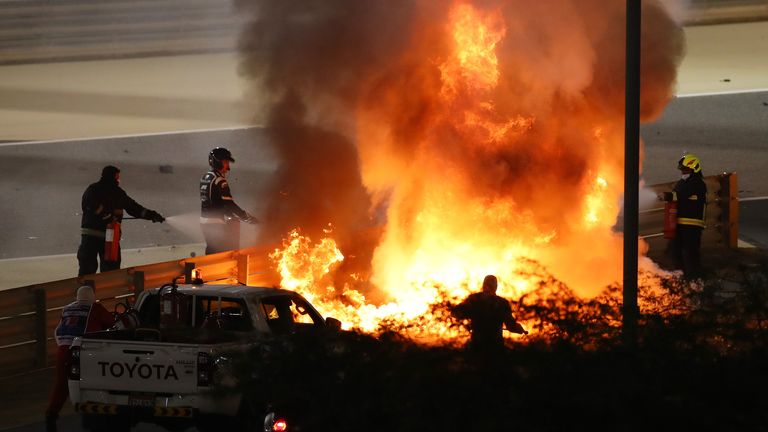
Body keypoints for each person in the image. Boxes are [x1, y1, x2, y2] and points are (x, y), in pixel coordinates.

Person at [45, 286, 115, 432]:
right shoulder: (95, 308)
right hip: (84, 351)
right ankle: (96, 418)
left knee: (61, 385)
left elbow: (57, 330)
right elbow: (111, 322)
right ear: (92, 297)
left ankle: (51, 417)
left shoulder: (66, 309)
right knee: (95, 381)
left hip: (63, 350)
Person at [78, 165, 165, 276]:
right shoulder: (112, 192)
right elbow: (135, 209)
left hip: (96, 237)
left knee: (89, 269)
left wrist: (152, 215)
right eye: (118, 177)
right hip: (105, 238)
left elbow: (134, 208)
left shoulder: (95, 190)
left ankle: (85, 291)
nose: (119, 180)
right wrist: (107, 216)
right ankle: (106, 292)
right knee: (109, 272)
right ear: (113, 177)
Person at [200, 147, 257, 254]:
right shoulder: (219, 180)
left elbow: (214, 201)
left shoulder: (206, 177)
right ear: (217, 162)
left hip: (204, 222)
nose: (228, 166)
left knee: (211, 252)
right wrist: (247, 217)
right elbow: (229, 204)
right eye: (225, 162)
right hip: (216, 223)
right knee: (223, 255)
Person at [659, 153, 707, 279]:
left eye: (686, 170)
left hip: (692, 225)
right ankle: (681, 277)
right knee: (674, 251)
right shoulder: (682, 183)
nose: (683, 172)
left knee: (691, 253)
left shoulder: (697, 183)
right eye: (682, 170)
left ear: (694, 169)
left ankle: (696, 280)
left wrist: (667, 196)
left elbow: (679, 196)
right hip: (679, 223)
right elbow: (677, 194)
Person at [453, 275, 527, 352]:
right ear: (496, 287)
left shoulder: (474, 299)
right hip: (493, 347)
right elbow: (511, 325)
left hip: (479, 346)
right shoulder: (502, 303)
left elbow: (457, 313)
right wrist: (519, 329)